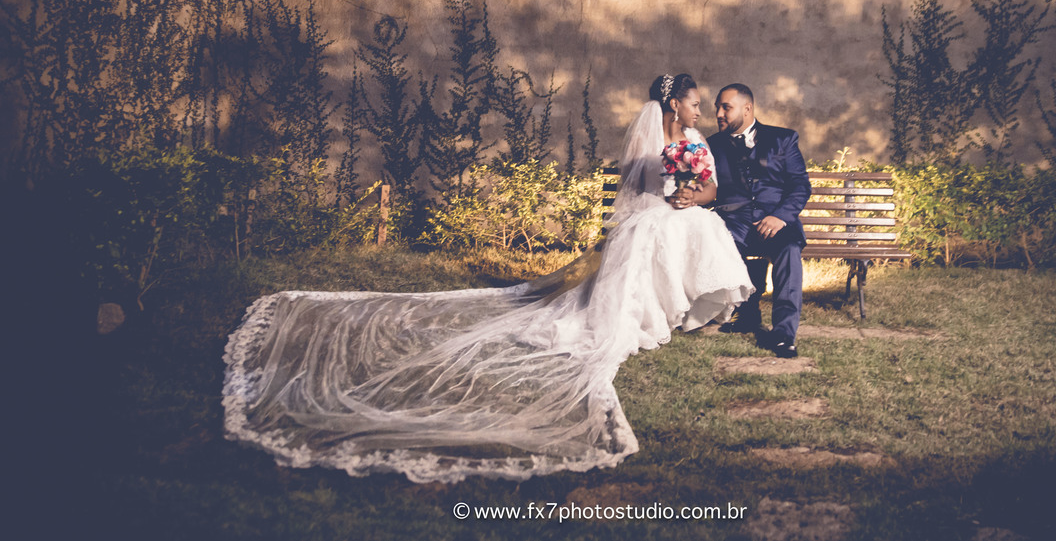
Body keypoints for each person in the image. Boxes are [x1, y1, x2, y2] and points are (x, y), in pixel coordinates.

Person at [222, 74, 751, 482]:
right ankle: (645, 311)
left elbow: (707, 188)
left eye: (702, 103)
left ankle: (689, 308)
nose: (700, 108)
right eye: (694, 101)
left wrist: (690, 194)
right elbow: (636, 192)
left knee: (699, 224)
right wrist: (667, 193)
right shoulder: (651, 140)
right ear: (672, 103)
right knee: (652, 229)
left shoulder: (696, 140)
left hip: (682, 210)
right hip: (650, 214)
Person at [708, 84, 811, 358]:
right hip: (734, 222)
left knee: (789, 251)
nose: (718, 113)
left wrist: (780, 217)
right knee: (725, 243)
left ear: (747, 108)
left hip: (776, 221)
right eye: (717, 107)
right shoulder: (711, 145)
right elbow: (706, 187)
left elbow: (800, 186)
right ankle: (747, 315)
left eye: (725, 107)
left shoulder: (784, 139)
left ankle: (784, 334)